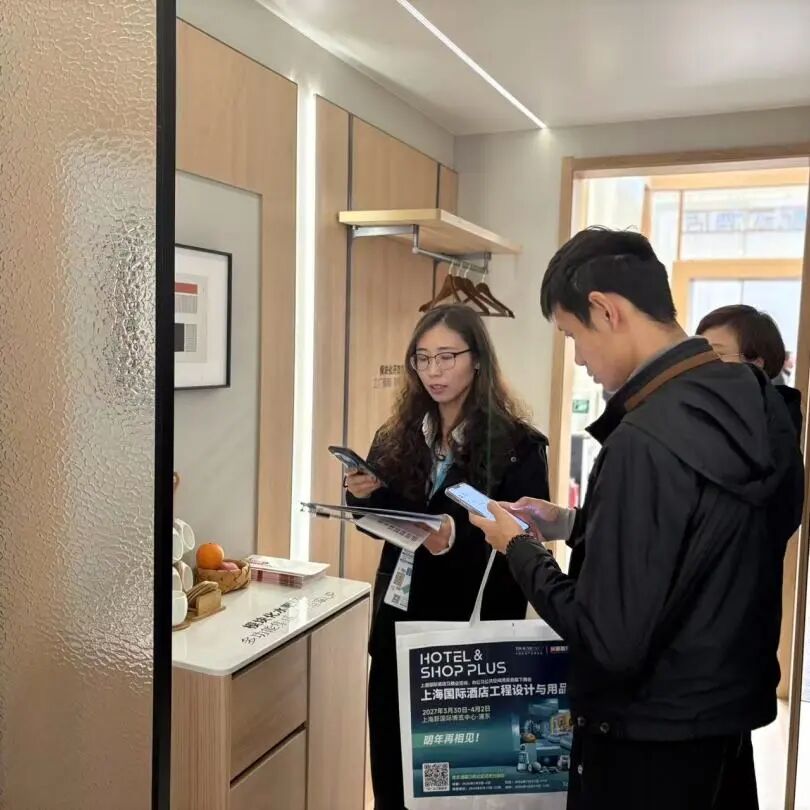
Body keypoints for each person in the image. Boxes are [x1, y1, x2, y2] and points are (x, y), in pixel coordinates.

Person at [462, 228, 804, 810]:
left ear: (606, 310)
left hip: (645, 741)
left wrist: (519, 547)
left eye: (573, 335)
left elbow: (607, 639)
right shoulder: (758, 402)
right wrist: (573, 524)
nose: (579, 358)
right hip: (723, 726)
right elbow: (701, 542)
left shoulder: (642, 440)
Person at [345, 304, 550, 810]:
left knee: (461, 790)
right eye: (422, 359)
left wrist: (455, 537)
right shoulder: (397, 435)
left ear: (477, 360)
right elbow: (379, 520)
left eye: (446, 357)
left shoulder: (518, 447)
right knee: (393, 779)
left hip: (468, 640)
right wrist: (360, 495)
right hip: (398, 627)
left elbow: (527, 540)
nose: (433, 371)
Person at [697, 304, 801, 435]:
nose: (702, 362)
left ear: (756, 364)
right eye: (700, 353)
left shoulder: (772, 423)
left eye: (717, 354)